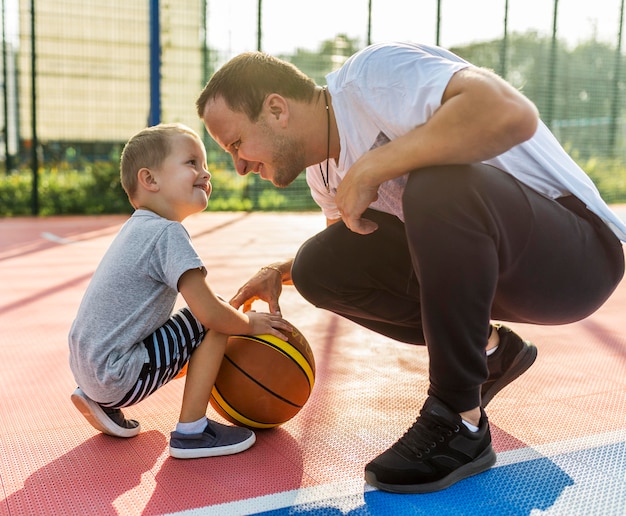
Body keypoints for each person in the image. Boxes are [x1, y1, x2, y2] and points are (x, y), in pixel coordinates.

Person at [195, 42, 626, 493]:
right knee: (319, 266)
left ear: (277, 109)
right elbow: (361, 255)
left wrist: (373, 167)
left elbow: (509, 112)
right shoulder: (322, 173)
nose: (239, 166)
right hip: (500, 270)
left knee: (438, 184)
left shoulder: (372, 78)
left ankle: (459, 419)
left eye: (237, 143)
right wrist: (281, 270)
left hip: (576, 257)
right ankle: (491, 352)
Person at [68, 123, 291, 459]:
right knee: (213, 320)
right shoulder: (167, 234)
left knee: (199, 326)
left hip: (87, 367)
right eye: (191, 163)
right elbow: (210, 314)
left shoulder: (136, 228)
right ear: (150, 180)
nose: (205, 172)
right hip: (118, 374)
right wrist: (249, 325)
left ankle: (99, 400)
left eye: (204, 165)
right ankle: (193, 432)